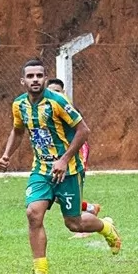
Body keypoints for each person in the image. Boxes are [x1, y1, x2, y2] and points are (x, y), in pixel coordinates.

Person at [0, 59, 121, 274]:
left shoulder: (57, 102)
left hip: (69, 171)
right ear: (22, 81)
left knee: (73, 224)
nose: (35, 79)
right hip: (41, 170)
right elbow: (17, 131)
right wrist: (7, 154)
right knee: (33, 214)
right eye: (31, 76)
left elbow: (84, 130)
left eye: (39, 75)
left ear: (45, 78)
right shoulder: (19, 105)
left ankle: (105, 227)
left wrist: (64, 160)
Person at [46, 78, 102, 236]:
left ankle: (84, 225)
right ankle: (90, 208)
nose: (53, 94)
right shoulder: (46, 110)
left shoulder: (67, 108)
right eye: (50, 91)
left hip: (76, 152)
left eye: (57, 91)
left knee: (73, 189)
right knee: (56, 195)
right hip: (61, 155)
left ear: (63, 93)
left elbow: (81, 131)